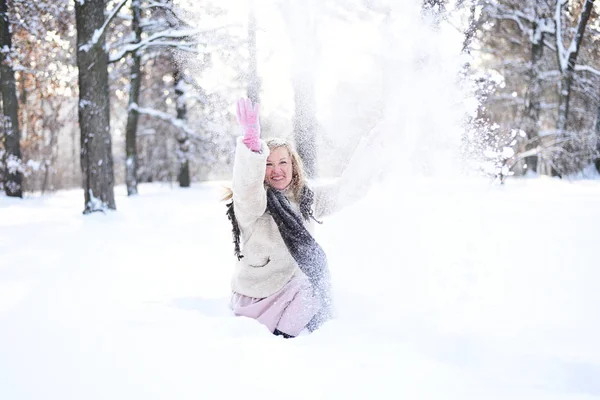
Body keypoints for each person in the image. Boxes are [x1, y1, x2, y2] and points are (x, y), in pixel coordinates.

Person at [225, 98, 378, 338]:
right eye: (268, 164)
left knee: (316, 287)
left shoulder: (305, 199)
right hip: (258, 294)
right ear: (260, 170)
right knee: (311, 288)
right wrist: (252, 148)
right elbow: (245, 191)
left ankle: (292, 335)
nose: (277, 170)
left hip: (291, 290)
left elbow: (346, 191)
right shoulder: (255, 204)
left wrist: (369, 154)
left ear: (293, 166)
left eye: (283, 162)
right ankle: (282, 339)